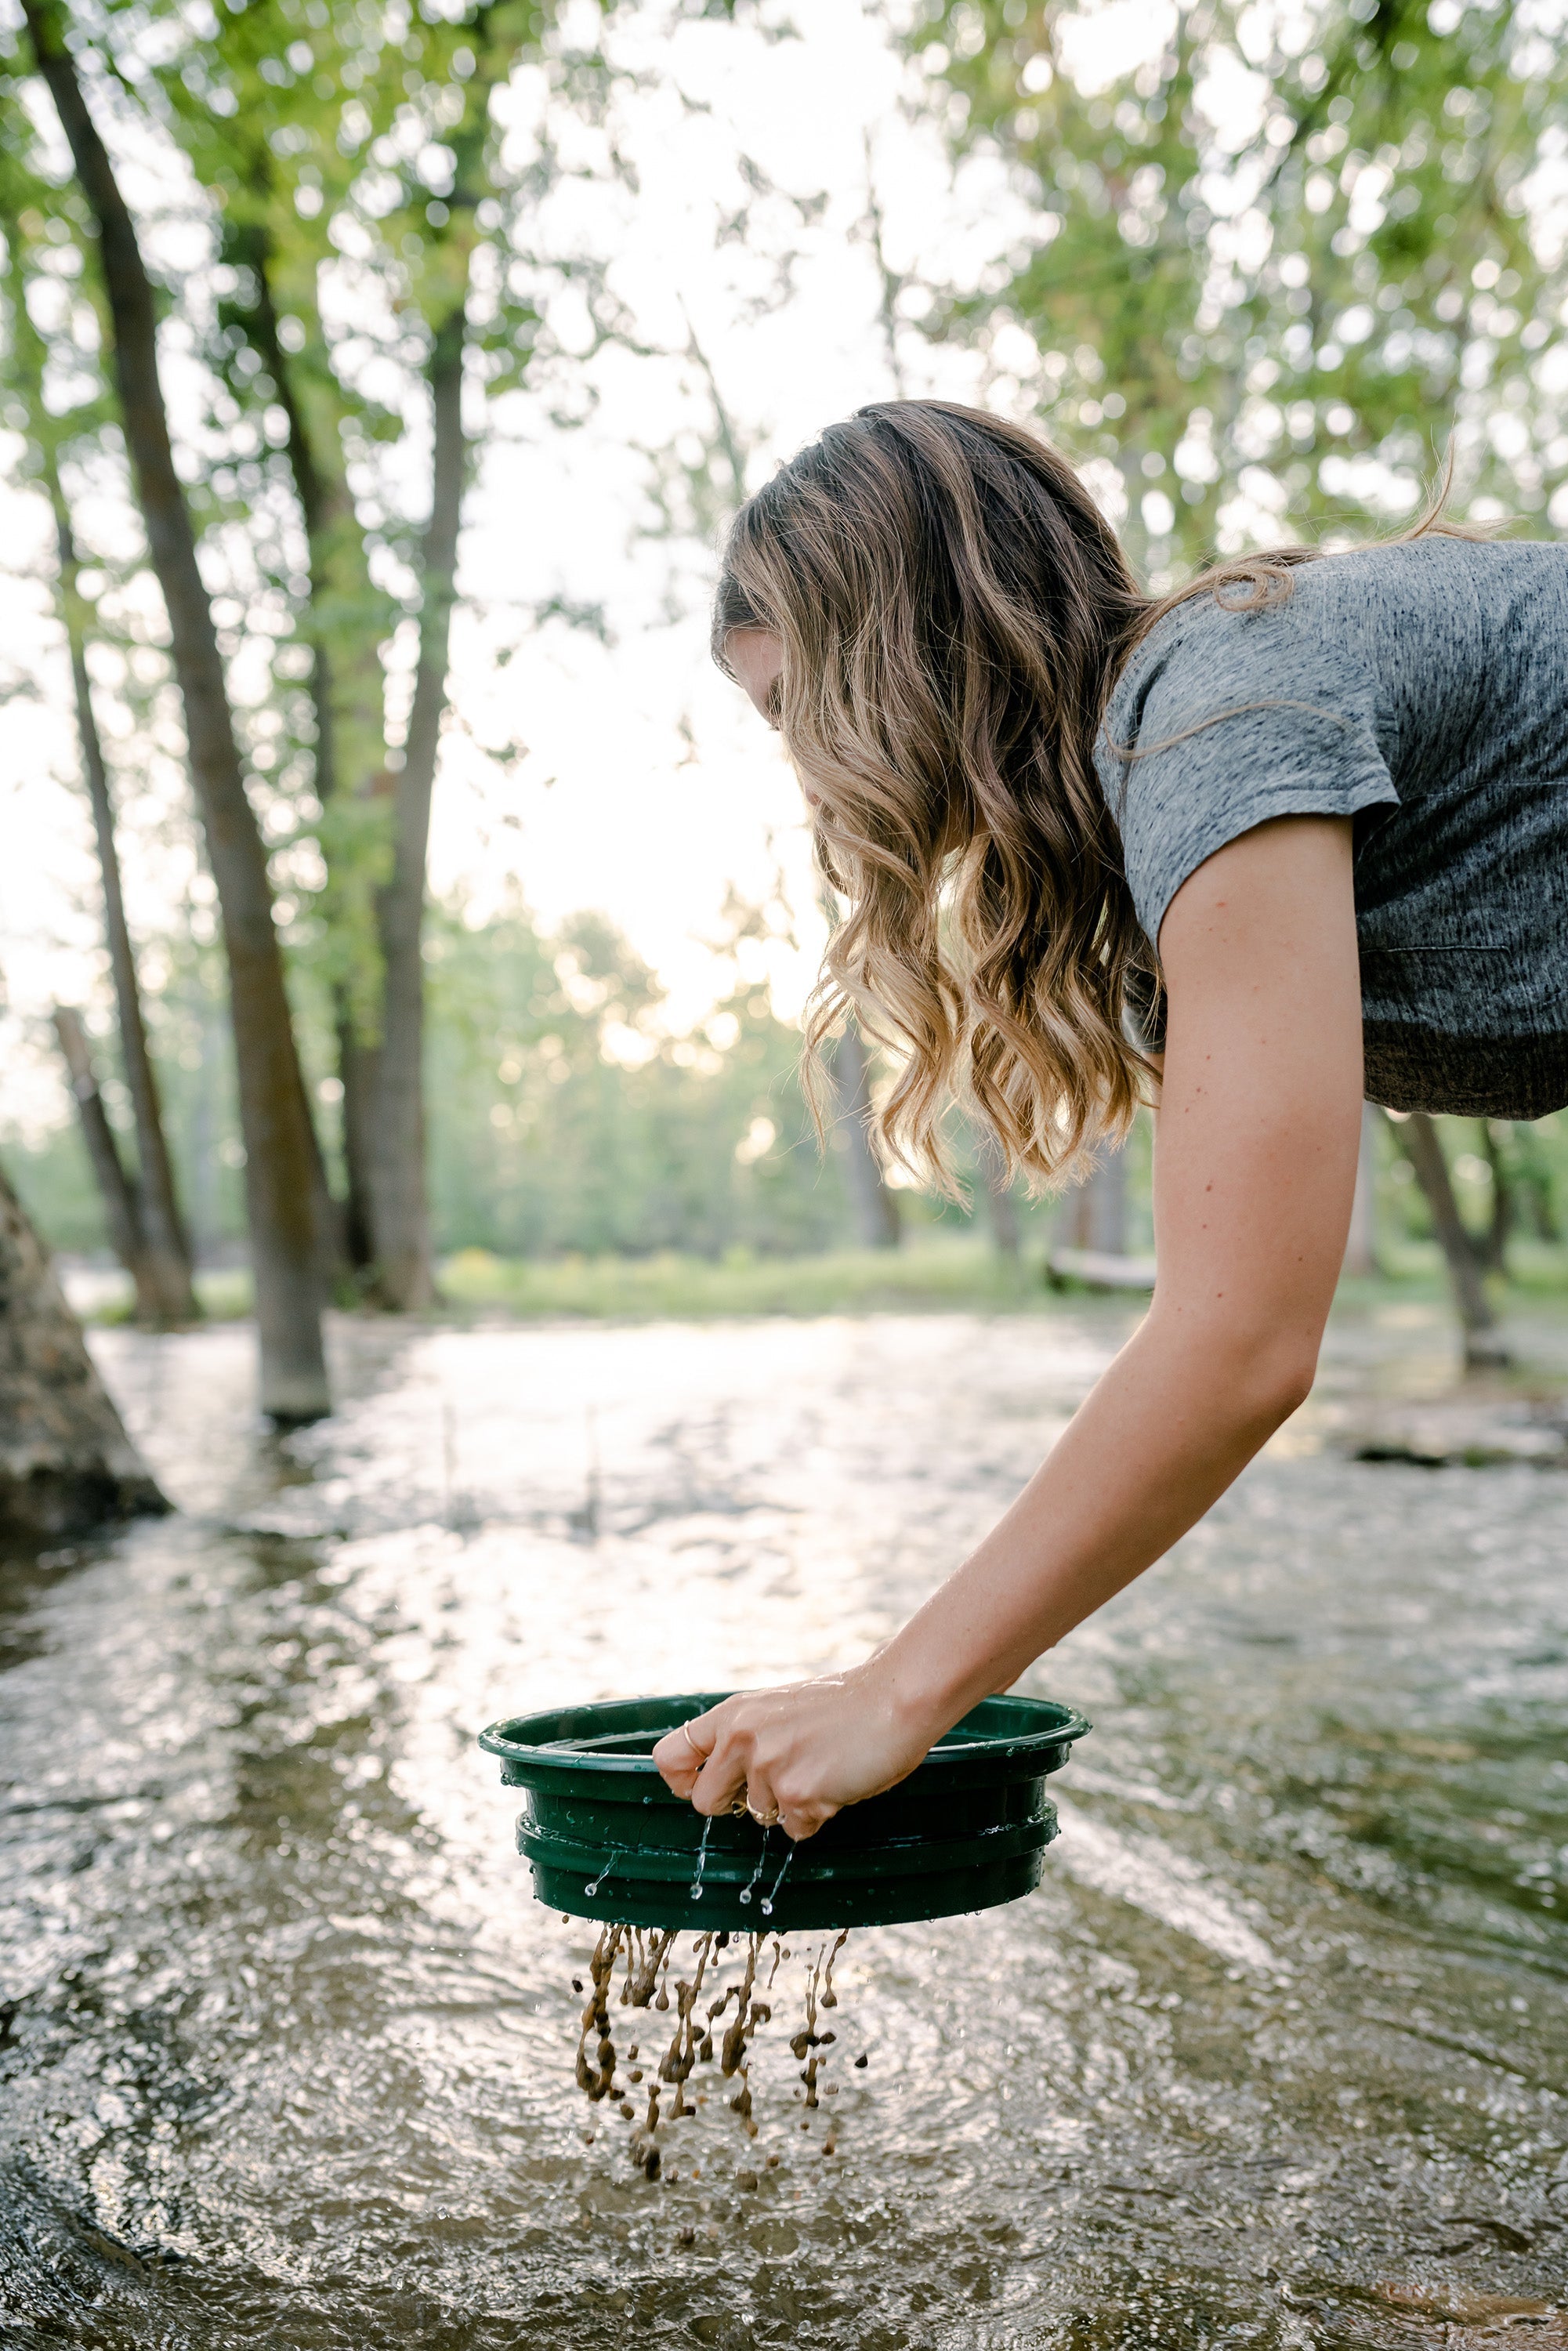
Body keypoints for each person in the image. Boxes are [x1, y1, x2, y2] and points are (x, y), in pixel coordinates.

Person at [652, 397, 1568, 1841]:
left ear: (899, 654)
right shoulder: (1166, 851)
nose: (806, 781)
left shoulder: (1215, 705)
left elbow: (1242, 1338)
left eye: (793, 716)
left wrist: (896, 1695)